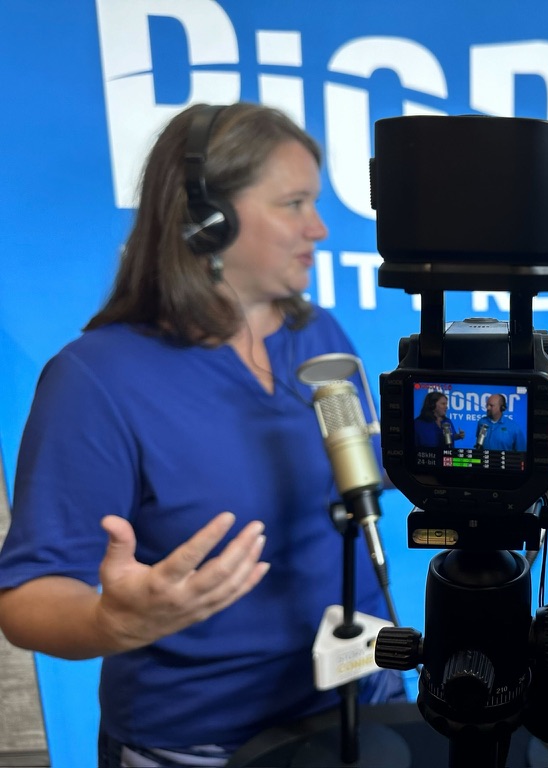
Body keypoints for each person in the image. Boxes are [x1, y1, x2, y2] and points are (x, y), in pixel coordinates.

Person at [0, 102, 405, 767]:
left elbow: (359, 470)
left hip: (363, 696)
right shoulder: (95, 379)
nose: (320, 228)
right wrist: (112, 622)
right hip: (201, 742)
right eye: (295, 204)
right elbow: (27, 598)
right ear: (207, 220)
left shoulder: (317, 334)